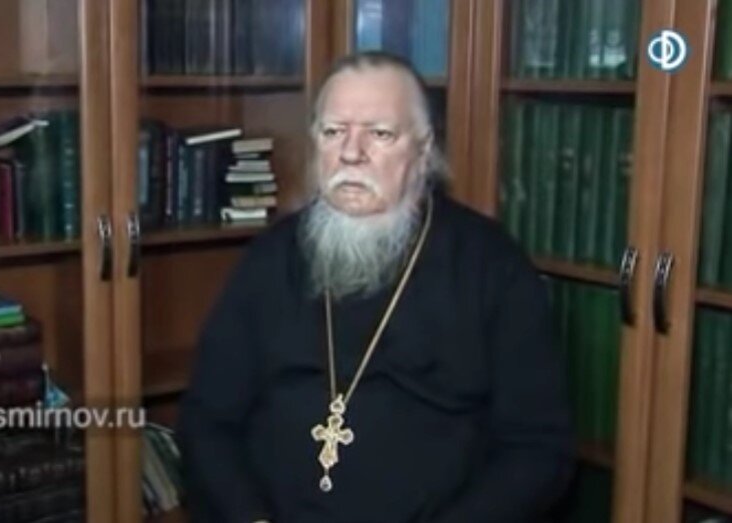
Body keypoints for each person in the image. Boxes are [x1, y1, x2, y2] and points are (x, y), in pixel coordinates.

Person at [176, 51, 574, 523]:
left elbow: (538, 449)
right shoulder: (270, 258)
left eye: (380, 134)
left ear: (424, 152)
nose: (351, 153)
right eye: (333, 132)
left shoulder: (491, 266)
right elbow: (207, 420)